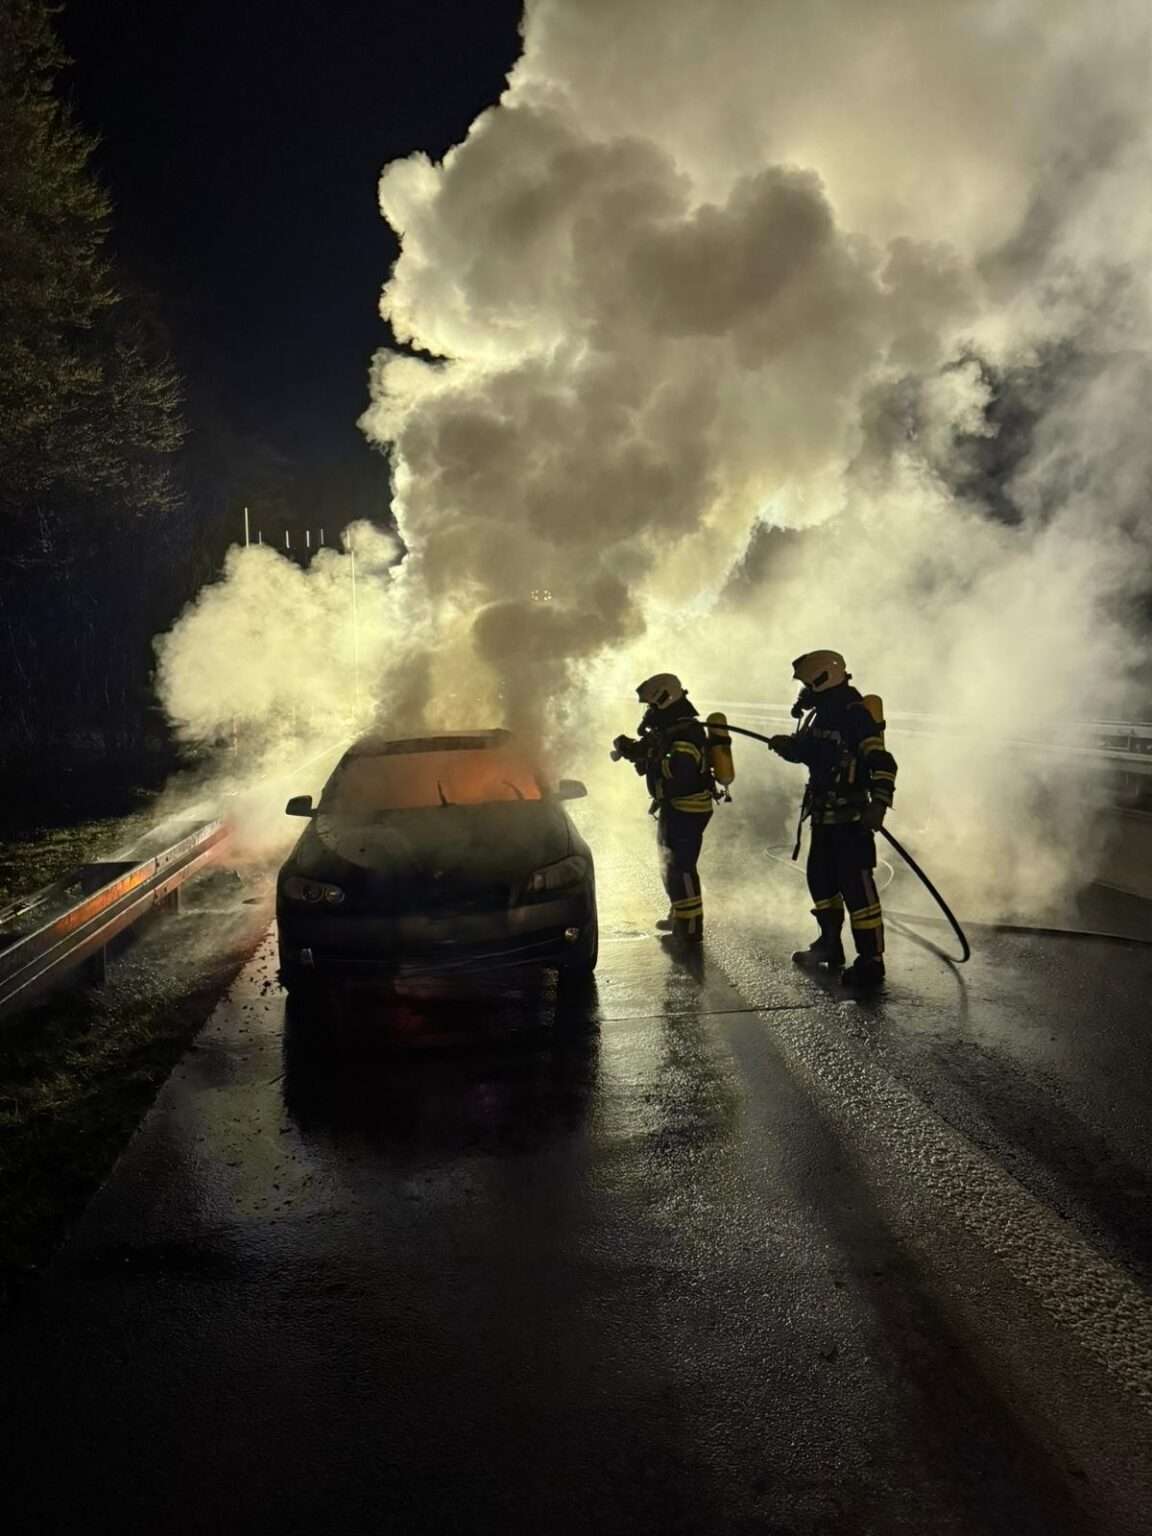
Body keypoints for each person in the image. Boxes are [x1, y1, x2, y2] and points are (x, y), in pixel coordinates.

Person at [768, 651, 897, 989]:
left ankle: (871, 961)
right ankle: (829, 944)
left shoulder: (855, 715)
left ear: (823, 679)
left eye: (808, 683)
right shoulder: (821, 714)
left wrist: (879, 804)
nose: (804, 690)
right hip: (823, 816)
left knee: (858, 890)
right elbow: (810, 751)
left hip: (851, 819)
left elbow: (882, 762)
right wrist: (789, 747)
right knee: (820, 881)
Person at [613, 673, 715, 943]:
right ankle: (679, 913)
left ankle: (691, 927)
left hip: (688, 808)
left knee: (681, 866)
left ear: (664, 699)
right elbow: (647, 749)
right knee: (669, 863)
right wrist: (628, 749)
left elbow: (680, 772)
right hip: (673, 807)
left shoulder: (686, 732)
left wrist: (650, 760)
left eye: (651, 705)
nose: (649, 711)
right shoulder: (667, 729)